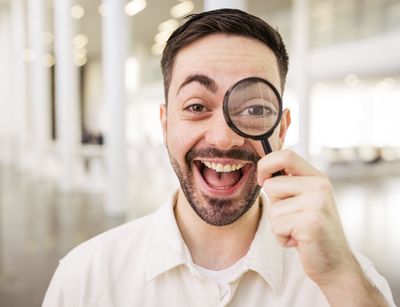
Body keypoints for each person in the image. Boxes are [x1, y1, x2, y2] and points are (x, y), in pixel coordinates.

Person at [43, 8, 396, 307]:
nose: (224, 138)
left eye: (255, 108)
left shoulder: (347, 285)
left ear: (282, 129)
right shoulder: (84, 278)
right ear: (166, 124)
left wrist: (340, 278)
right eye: (196, 106)